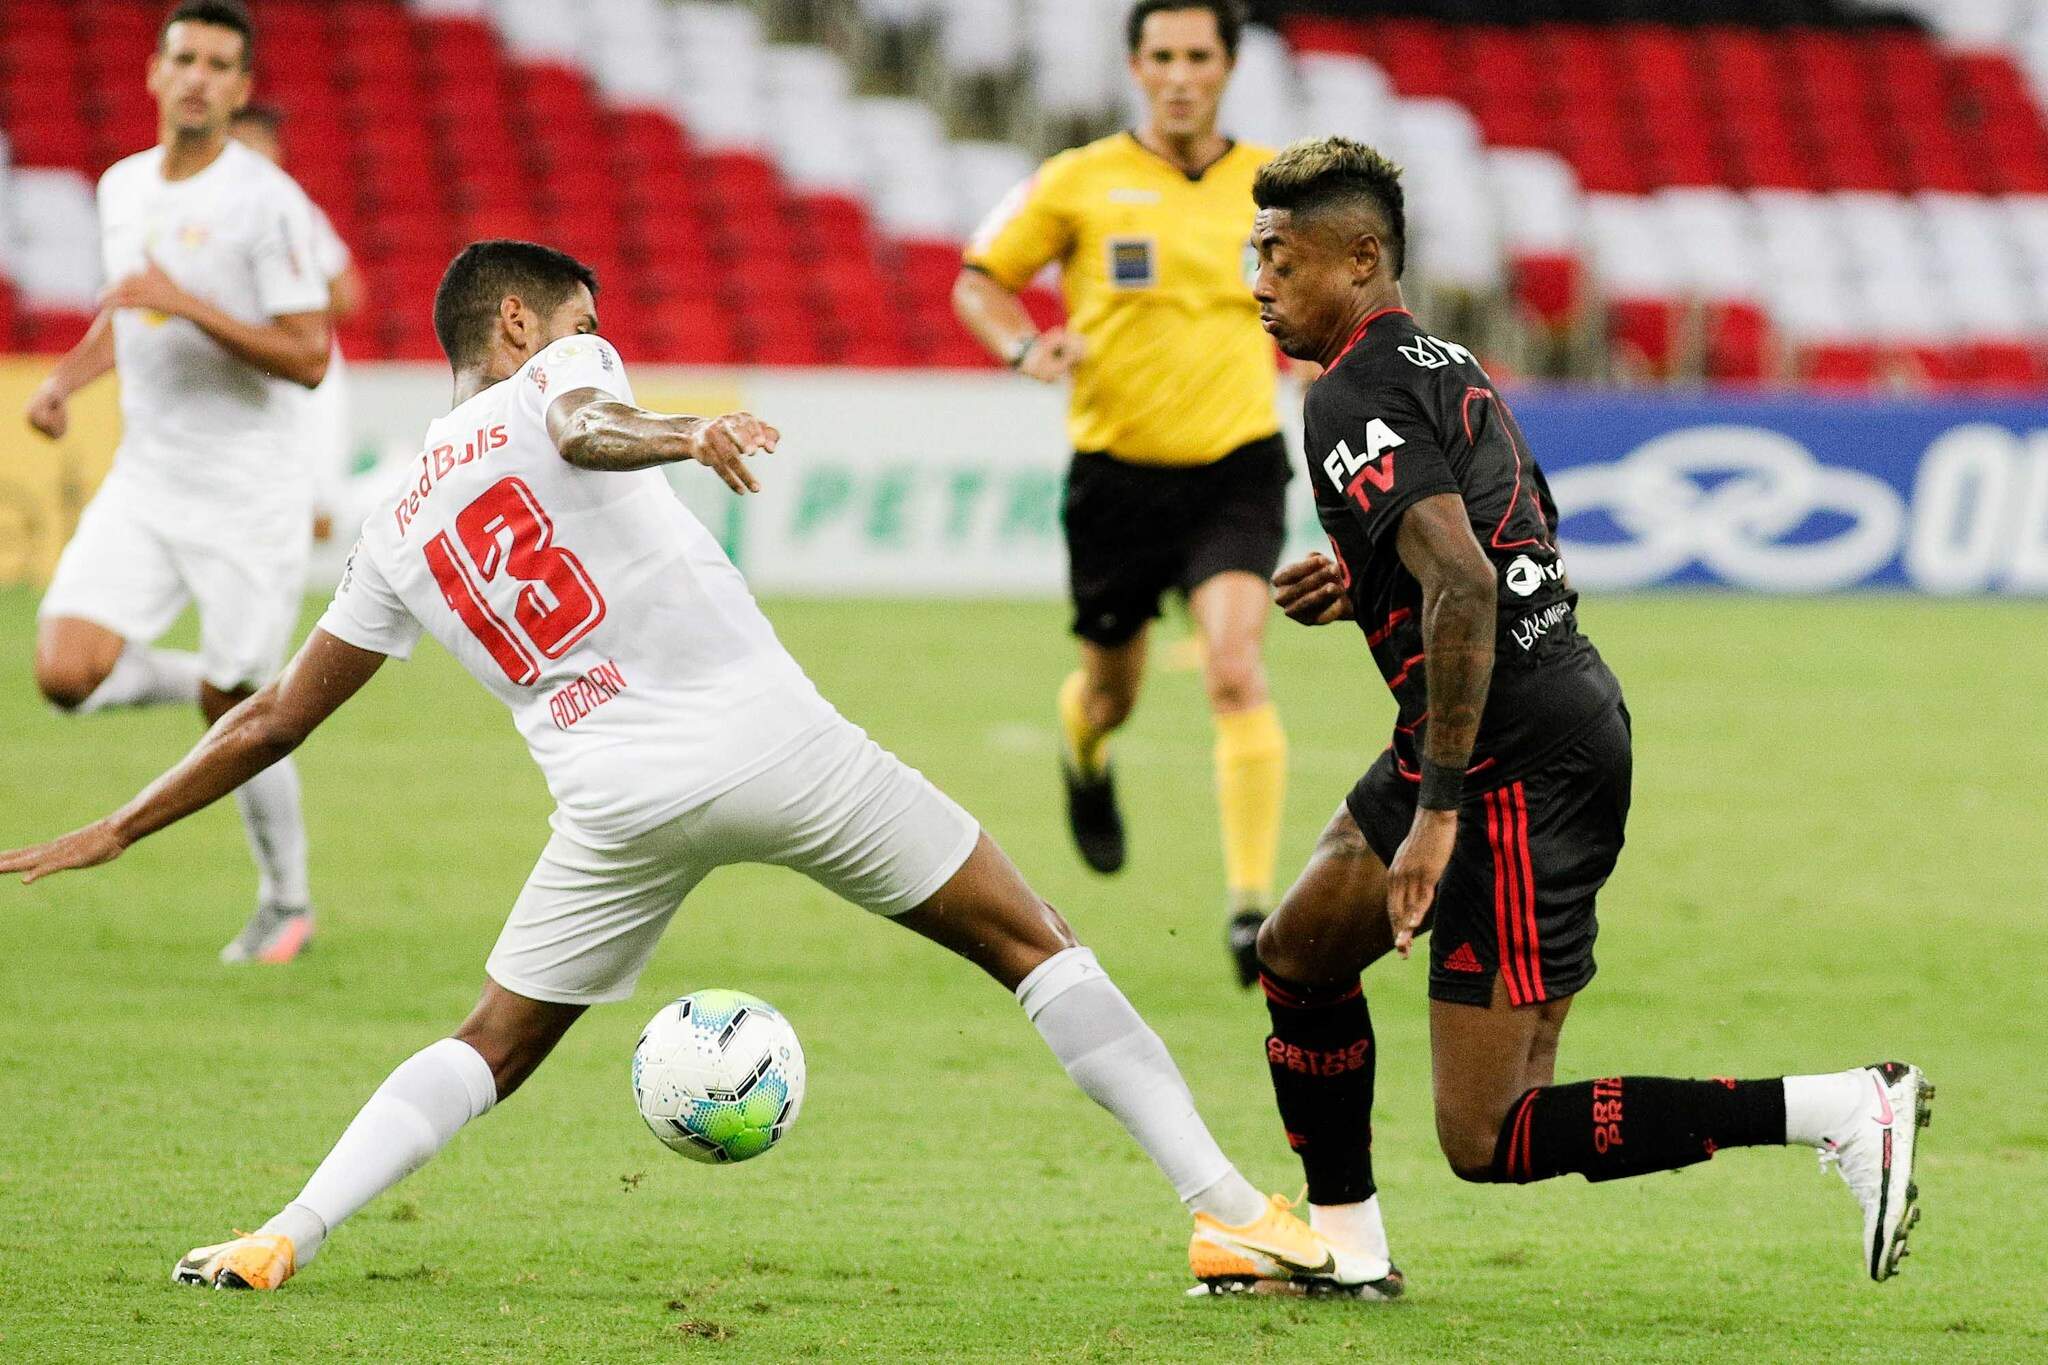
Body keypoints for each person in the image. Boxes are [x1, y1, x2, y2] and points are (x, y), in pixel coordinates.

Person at [0, 239, 1396, 1300]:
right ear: (518, 322)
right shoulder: (559, 369)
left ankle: (276, 1236)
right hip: (770, 746)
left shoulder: (393, 520)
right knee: (1033, 943)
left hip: (609, 803)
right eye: (584, 323)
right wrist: (687, 431)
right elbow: (579, 429)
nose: (596, 343)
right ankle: (1225, 1209)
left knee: (491, 1041)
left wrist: (117, 827)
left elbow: (267, 723)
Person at [1244, 136, 1930, 1287]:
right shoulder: (1441, 361)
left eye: (1279, 255)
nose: (1256, 280)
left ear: (1360, 258)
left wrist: (1440, 813)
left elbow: (1464, 580)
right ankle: (1344, 1246)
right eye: (1251, 254)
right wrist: (1363, 578)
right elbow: (1512, 543)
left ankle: (1838, 1109)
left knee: (1489, 1135)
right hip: (1518, 718)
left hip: (1503, 762)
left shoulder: (1349, 392)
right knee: (1299, 954)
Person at [954, 0, 1290, 987]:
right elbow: (978, 279)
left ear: (1226, 66)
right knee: (1111, 692)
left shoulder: (1273, 187)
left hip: (1235, 463)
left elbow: (1321, 296)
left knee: (1234, 667)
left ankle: (1248, 912)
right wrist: (1023, 345)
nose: (1180, 73)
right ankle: (1085, 756)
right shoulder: (1078, 180)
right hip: (1115, 479)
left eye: (1198, 55)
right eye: (1162, 56)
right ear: (1135, 67)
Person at [23, 0, 331, 964]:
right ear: (155, 74)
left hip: (248, 495)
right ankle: (210, 683)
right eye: (183, 58)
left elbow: (311, 354)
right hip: (147, 480)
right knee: (65, 672)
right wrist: (67, 380)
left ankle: (286, 899)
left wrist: (184, 303)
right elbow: (132, 313)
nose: (197, 76)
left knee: (246, 715)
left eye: (219, 64)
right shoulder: (122, 188)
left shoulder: (265, 201)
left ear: (240, 89)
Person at [229, 103, 366, 548]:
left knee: (316, 515)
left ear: (276, 153)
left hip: (302, 367)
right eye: (240, 145)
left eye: (258, 145)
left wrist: (283, 306)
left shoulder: (294, 211)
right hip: (238, 371)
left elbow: (348, 294)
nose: (250, 157)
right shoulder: (206, 217)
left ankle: (393, 488)